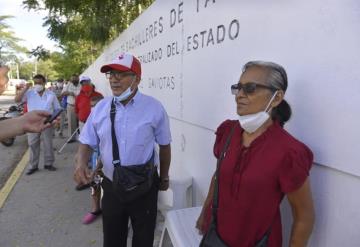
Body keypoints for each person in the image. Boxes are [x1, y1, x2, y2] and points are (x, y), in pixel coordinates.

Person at [196, 61, 315, 246]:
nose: (240, 95)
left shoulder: (289, 152)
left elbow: (304, 216)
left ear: (276, 98)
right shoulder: (227, 132)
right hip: (216, 238)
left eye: (250, 88)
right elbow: (219, 175)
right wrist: (205, 212)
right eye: (238, 88)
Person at [74, 53, 171, 247]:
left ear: (137, 79)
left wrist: (164, 177)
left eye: (122, 74)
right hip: (111, 187)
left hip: (144, 186)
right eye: (111, 74)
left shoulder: (154, 108)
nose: (114, 79)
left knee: (143, 239)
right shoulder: (100, 108)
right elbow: (86, 141)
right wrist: (81, 163)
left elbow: (165, 145)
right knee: (112, 239)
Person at [15, 74, 61, 175]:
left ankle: (48, 164)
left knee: (48, 144)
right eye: (35, 83)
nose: (37, 85)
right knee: (32, 144)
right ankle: (33, 166)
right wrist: (26, 88)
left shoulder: (51, 94)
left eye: (39, 83)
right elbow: (17, 100)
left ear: (44, 83)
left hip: (47, 122)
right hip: (32, 123)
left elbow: (57, 108)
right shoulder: (29, 93)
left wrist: (56, 120)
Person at [61, 74, 81, 143]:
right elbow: (62, 93)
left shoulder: (81, 84)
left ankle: (82, 137)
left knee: (80, 122)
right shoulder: (69, 84)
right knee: (71, 122)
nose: (74, 80)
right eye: (72, 79)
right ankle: (71, 137)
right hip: (71, 106)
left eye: (75, 79)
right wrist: (69, 93)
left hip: (80, 106)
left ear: (78, 79)